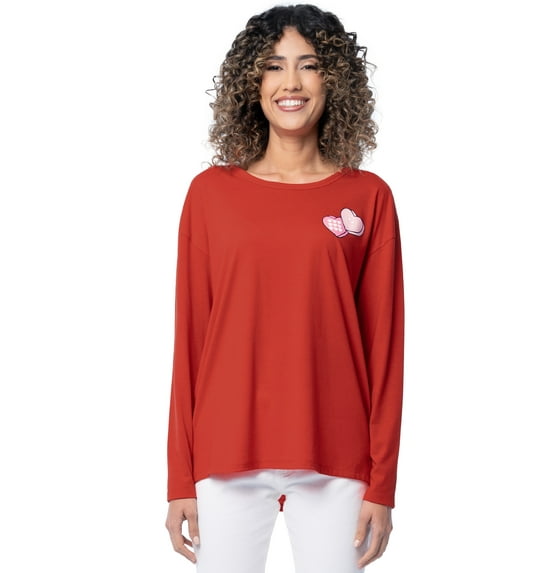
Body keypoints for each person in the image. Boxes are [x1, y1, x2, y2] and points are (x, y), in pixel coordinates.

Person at [164, 4, 405, 572]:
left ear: (334, 80)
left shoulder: (368, 197)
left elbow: (385, 350)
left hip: (337, 458)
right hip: (225, 454)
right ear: (252, 82)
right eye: (274, 66)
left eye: (309, 65)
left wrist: (382, 484)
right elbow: (190, 340)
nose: (291, 82)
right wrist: (179, 477)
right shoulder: (210, 194)